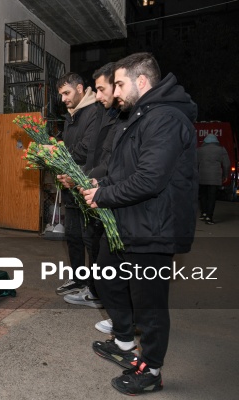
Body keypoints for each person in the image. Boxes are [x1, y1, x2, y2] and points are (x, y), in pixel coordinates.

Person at [81, 52, 198, 396]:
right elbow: (127, 169)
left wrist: (104, 196)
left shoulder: (165, 119)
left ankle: (153, 370)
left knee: (149, 302)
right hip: (132, 223)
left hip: (154, 228)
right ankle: (123, 341)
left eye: (119, 83)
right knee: (107, 274)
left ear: (141, 81)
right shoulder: (141, 116)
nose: (115, 92)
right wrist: (104, 184)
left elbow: (150, 179)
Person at [60, 62, 123, 310]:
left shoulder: (98, 113)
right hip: (84, 182)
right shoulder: (77, 115)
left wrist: (84, 176)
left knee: (94, 241)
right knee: (76, 236)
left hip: (96, 185)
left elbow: (95, 152)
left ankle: (99, 294)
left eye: (103, 88)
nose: (100, 96)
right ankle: (84, 282)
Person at [54, 72, 98, 296]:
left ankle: (95, 286)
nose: (63, 99)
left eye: (66, 93)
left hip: (87, 184)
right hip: (70, 186)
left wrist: (61, 156)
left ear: (80, 88)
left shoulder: (94, 112)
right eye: (61, 94)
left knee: (90, 237)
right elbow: (69, 145)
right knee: (72, 235)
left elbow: (87, 148)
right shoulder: (70, 116)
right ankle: (78, 279)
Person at [197, 134, 230, 224]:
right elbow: (226, 164)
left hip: (202, 176)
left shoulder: (199, 150)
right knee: (212, 197)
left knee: (203, 195)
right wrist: (225, 175)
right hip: (215, 177)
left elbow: (195, 163)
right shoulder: (221, 149)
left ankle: (203, 213)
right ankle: (209, 217)